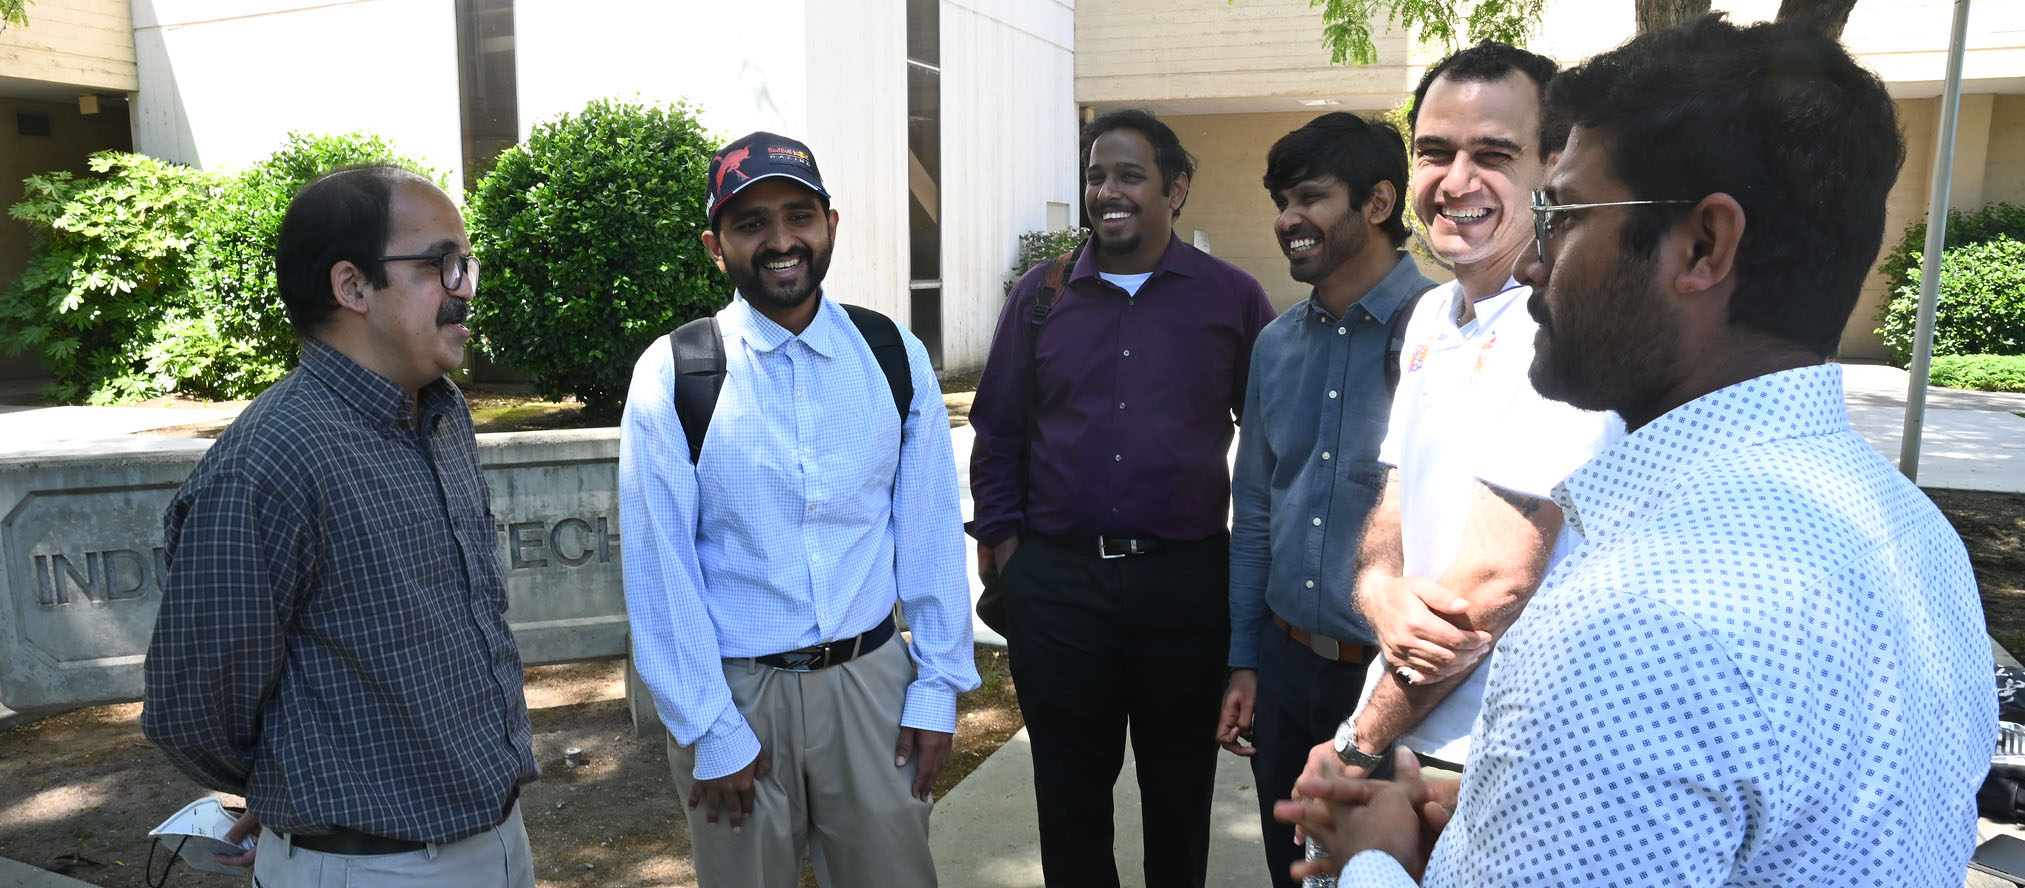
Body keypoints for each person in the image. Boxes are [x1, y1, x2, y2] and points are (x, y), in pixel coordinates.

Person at [1279, 15, 1996, 885]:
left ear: (1701, 246)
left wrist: (1378, 862)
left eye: (1567, 214)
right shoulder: (1917, 537)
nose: (1537, 262)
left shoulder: (1631, 625)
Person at [141, 165, 538, 887]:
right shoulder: (269, 463)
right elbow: (191, 711)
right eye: (440, 263)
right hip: (371, 871)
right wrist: (301, 780)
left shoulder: (442, 415)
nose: (465, 287)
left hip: (499, 839)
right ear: (352, 287)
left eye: (466, 263)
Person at [619, 131, 978, 888]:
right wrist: (710, 729)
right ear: (716, 245)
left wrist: (937, 687)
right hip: (737, 694)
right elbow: (659, 571)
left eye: (798, 216)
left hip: (871, 687)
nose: (781, 241)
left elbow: (931, 535)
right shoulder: (676, 371)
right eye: (751, 224)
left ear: (830, 225)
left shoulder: (890, 354)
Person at [968, 108, 1275, 887]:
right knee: (1069, 802)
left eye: (1128, 175)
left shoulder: (1231, 301)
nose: (1107, 191)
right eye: (1096, 175)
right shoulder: (1040, 298)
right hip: (1060, 589)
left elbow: (1273, 448)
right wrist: (1013, 558)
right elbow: (998, 434)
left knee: (1179, 800)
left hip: (1185, 587)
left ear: (1175, 189)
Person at [1310, 41, 1622, 785]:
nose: (1455, 181)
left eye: (1492, 153)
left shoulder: (1566, 327)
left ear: (1552, 165)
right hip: (1412, 723)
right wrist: (1376, 588)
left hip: (1503, 754)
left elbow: (1493, 586)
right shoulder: (1429, 314)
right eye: (1434, 152)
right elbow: (1396, 490)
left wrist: (1354, 748)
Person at [1216, 111, 1434, 888]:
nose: (1287, 220)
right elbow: (1256, 517)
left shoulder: (1446, 335)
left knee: (1382, 876)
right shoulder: (1275, 345)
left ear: (1377, 205)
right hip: (1282, 669)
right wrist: (1244, 659)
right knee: (1295, 874)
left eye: (1310, 197)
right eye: (1281, 201)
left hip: (1400, 686)